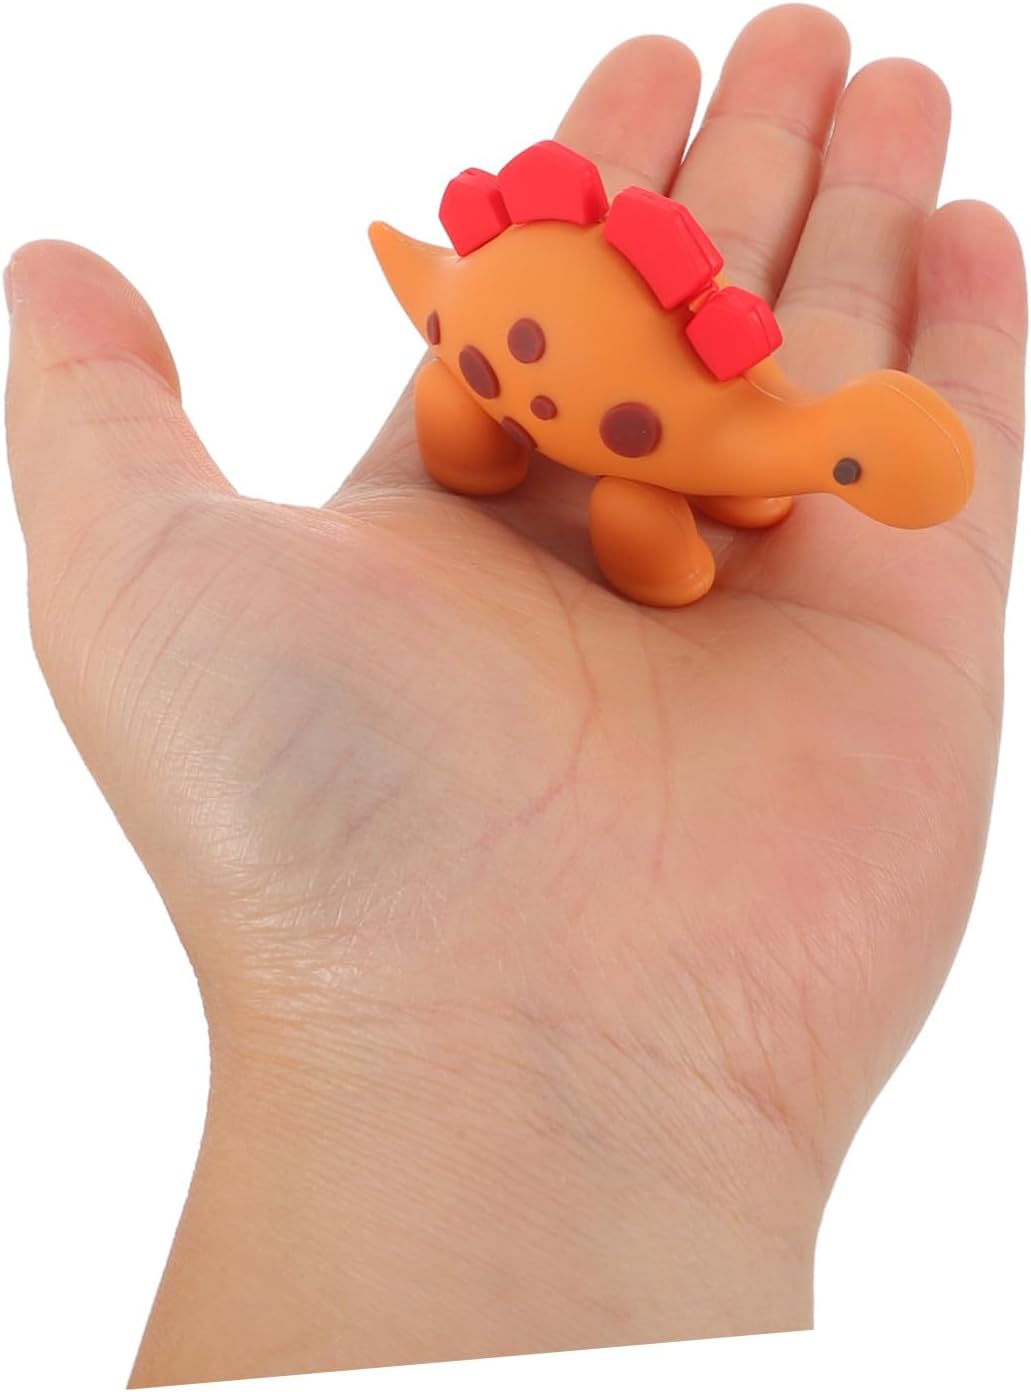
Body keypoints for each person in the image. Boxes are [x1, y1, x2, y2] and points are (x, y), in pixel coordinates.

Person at [4, 5, 1025, 1386]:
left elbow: (763, 418)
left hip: (614, 353)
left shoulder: (767, 417)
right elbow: (653, 508)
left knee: (723, 454)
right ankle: (472, 433)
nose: (831, 475)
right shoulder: (656, 434)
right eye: (842, 468)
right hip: (505, 340)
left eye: (840, 468)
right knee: (623, 483)